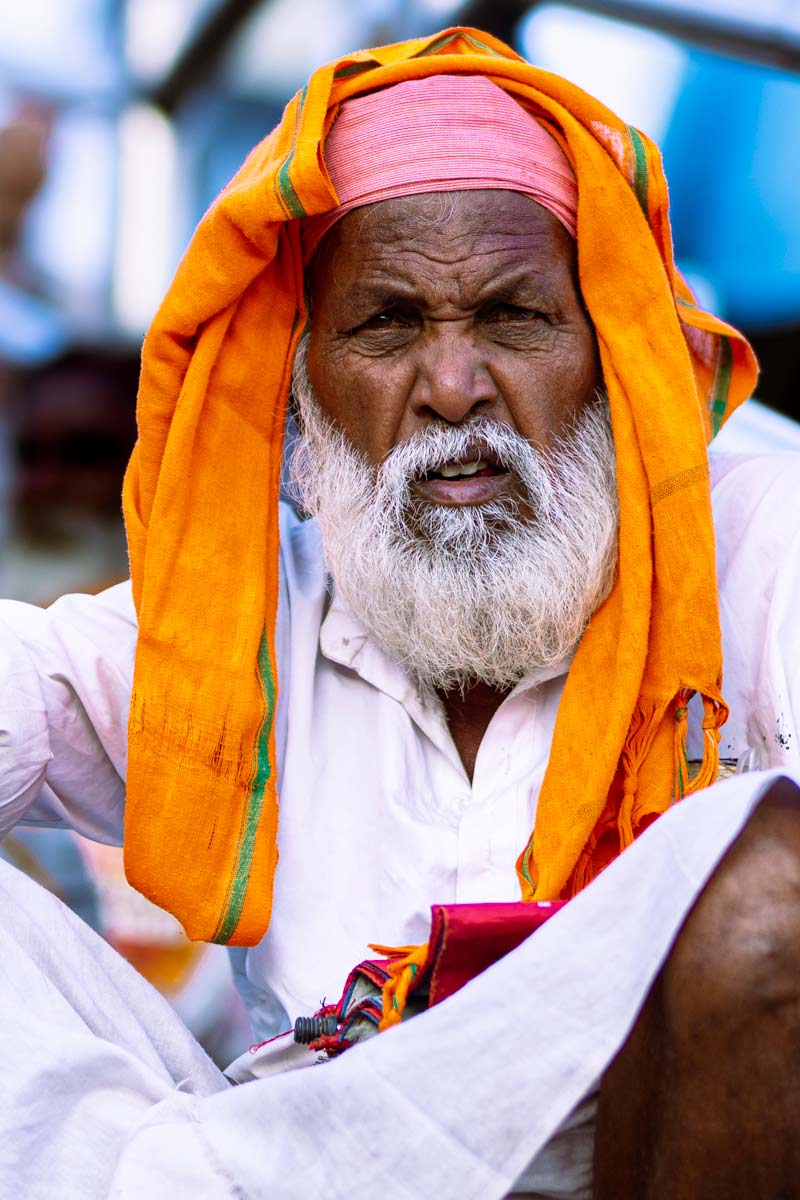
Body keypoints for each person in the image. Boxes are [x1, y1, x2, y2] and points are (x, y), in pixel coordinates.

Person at [1, 26, 799, 1199]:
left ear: (611, 353)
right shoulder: (239, 621)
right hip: (280, 1160)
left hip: (645, 1156)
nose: (453, 388)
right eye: (386, 326)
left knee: (761, 894)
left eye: (514, 317)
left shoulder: (761, 536)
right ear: (304, 383)